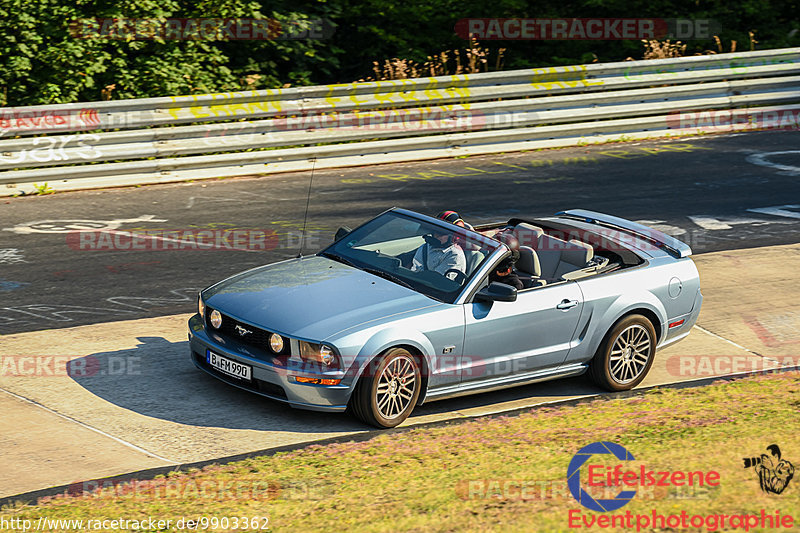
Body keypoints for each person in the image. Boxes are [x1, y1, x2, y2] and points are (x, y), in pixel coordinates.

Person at [409, 211, 467, 278]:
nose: (436, 235)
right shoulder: (425, 247)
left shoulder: (455, 256)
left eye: (441, 233)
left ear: (454, 237)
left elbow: (437, 281)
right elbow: (415, 271)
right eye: (435, 231)